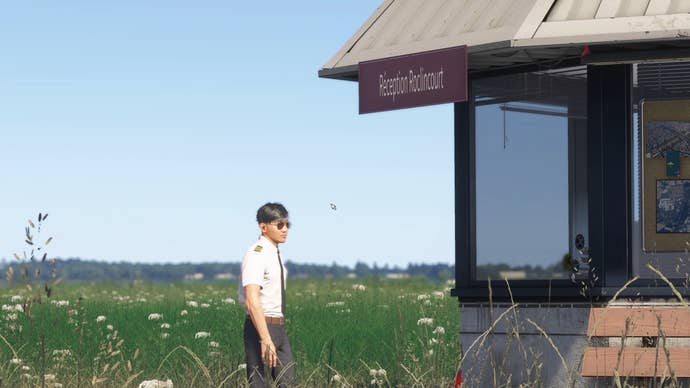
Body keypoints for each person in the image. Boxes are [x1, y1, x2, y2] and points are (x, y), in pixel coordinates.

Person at [238, 202, 295, 387]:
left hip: (278, 326)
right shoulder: (257, 254)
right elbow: (251, 299)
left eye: (287, 224)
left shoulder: (274, 253)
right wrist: (265, 338)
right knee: (258, 383)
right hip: (261, 327)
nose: (285, 229)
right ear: (263, 227)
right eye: (279, 225)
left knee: (287, 381)